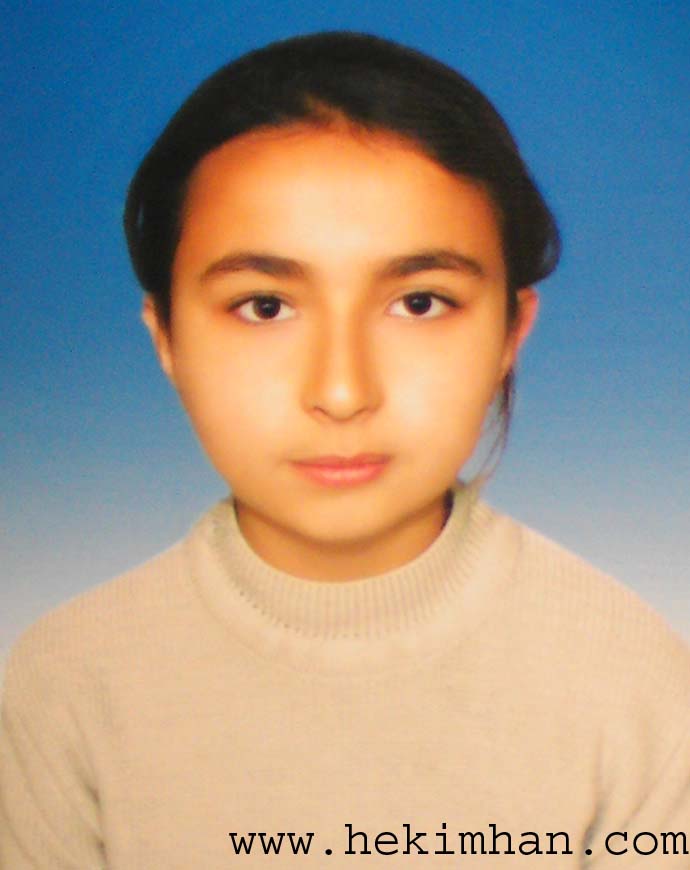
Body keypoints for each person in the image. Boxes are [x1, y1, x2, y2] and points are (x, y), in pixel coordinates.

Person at [1, 31, 688, 869]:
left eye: (420, 302)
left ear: (511, 331)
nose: (341, 391)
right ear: (166, 338)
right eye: (264, 306)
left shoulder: (634, 681)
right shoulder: (68, 683)